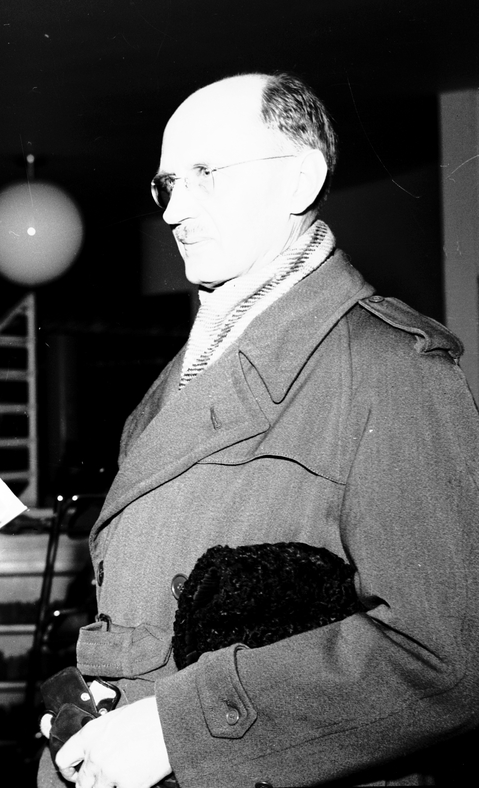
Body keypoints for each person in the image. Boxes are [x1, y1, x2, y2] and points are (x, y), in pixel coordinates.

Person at [40, 73, 479, 788]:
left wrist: (176, 731)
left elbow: (449, 657)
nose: (175, 210)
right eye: (167, 184)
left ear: (300, 179)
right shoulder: (177, 382)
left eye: (207, 175)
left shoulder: (388, 369)